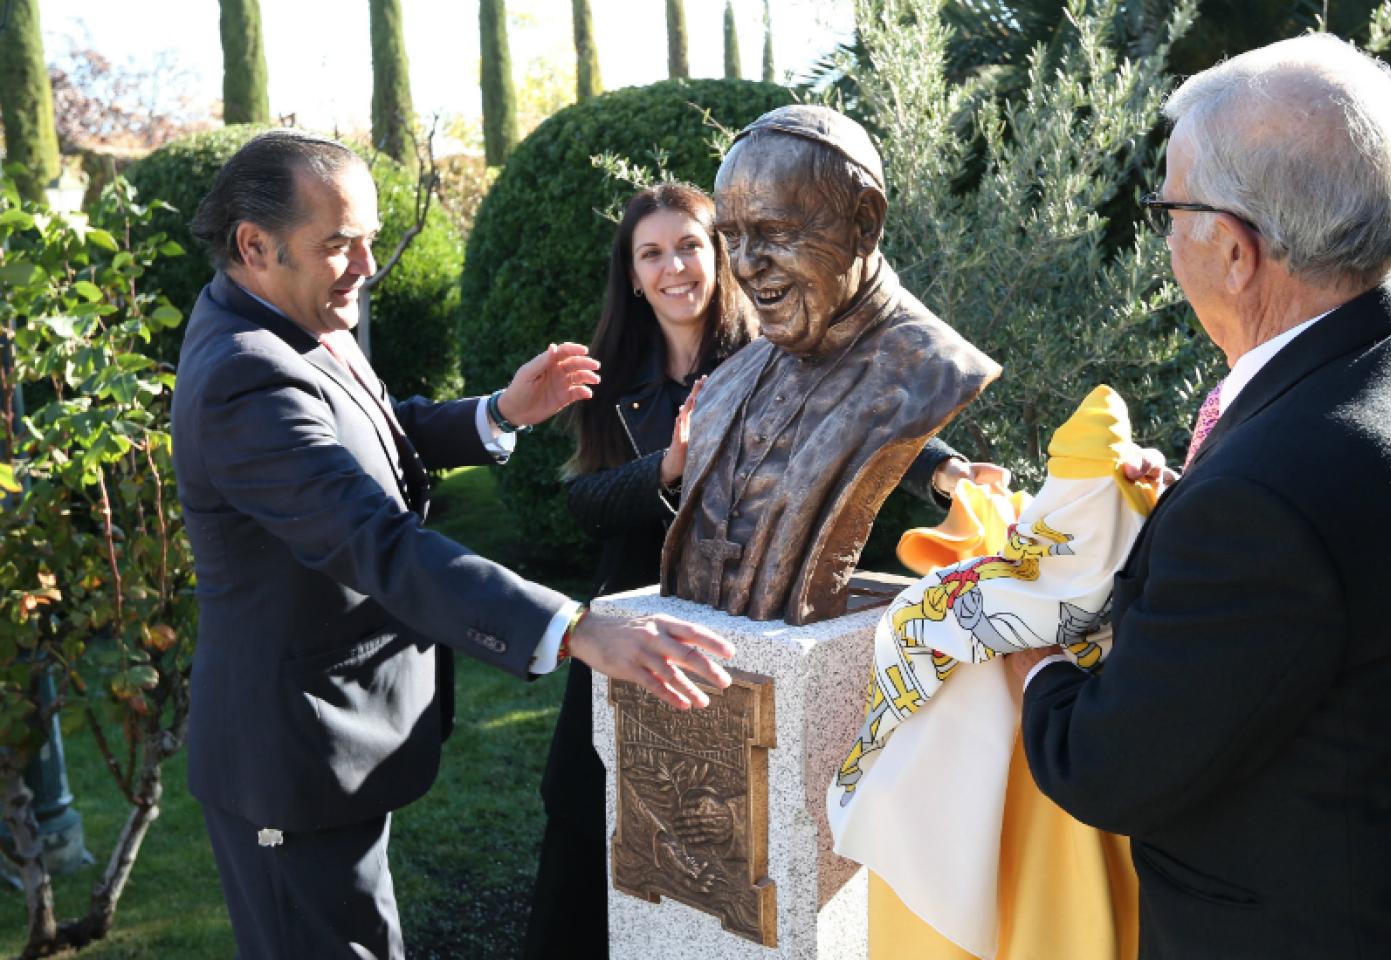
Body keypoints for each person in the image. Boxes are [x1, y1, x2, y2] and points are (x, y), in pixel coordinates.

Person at [1005, 35, 1391, 958]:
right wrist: (1192, 517)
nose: (1165, 237)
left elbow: (1108, 768)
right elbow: (1347, 586)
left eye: (1169, 210)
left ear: (1235, 249)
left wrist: (1030, 659)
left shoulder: (1269, 496)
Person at [171, 129, 734, 960]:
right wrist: (575, 629)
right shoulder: (242, 376)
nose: (368, 266)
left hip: (331, 747)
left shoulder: (291, 314)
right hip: (288, 761)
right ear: (254, 246)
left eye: (369, 238)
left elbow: (372, 428)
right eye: (340, 244)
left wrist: (496, 413)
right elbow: (375, 539)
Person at [527, 180, 999, 959]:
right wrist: (672, 463)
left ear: (720, 257)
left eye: (690, 246)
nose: (674, 268)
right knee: (589, 840)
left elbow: (870, 415)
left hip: (752, 629)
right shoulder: (610, 377)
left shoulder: (777, 357)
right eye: (652, 254)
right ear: (633, 275)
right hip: (634, 634)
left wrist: (948, 473)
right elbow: (585, 504)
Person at [660, 105, 1003, 626]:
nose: (746, 264)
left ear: (864, 223)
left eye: (775, 230)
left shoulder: (938, 369)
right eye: (732, 237)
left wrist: (945, 472)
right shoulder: (728, 382)